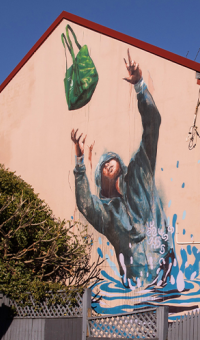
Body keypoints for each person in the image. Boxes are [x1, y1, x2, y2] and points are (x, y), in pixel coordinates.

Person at [70, 49, 174, 290]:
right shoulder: (105, 213)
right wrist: (79, 161)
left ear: (120, 164)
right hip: (134, 287)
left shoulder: (140, 171)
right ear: (101, 180)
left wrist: (140, 86)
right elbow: (85, 203)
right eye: (102, 166)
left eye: (110, 160)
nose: (106, 163)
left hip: (164, 273)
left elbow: (152, 125)